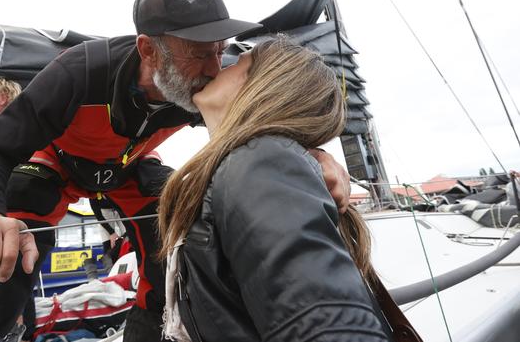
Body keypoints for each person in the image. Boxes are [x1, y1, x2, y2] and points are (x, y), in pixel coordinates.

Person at [0, 0, 351, 342]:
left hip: (127, 167)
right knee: (6, 258)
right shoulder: (80, 73)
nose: (214, 69)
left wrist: (315, 153)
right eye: (198, 52)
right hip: (56, 164)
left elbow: (268, 114)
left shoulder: (209, 80)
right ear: (147, 49)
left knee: (175, 246)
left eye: (219, 49)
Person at [158, 38, 392, 342]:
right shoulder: (258, 164)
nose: (216, 67)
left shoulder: (261, 164)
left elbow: (332, 329)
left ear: (262, 86)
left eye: (237, 62)